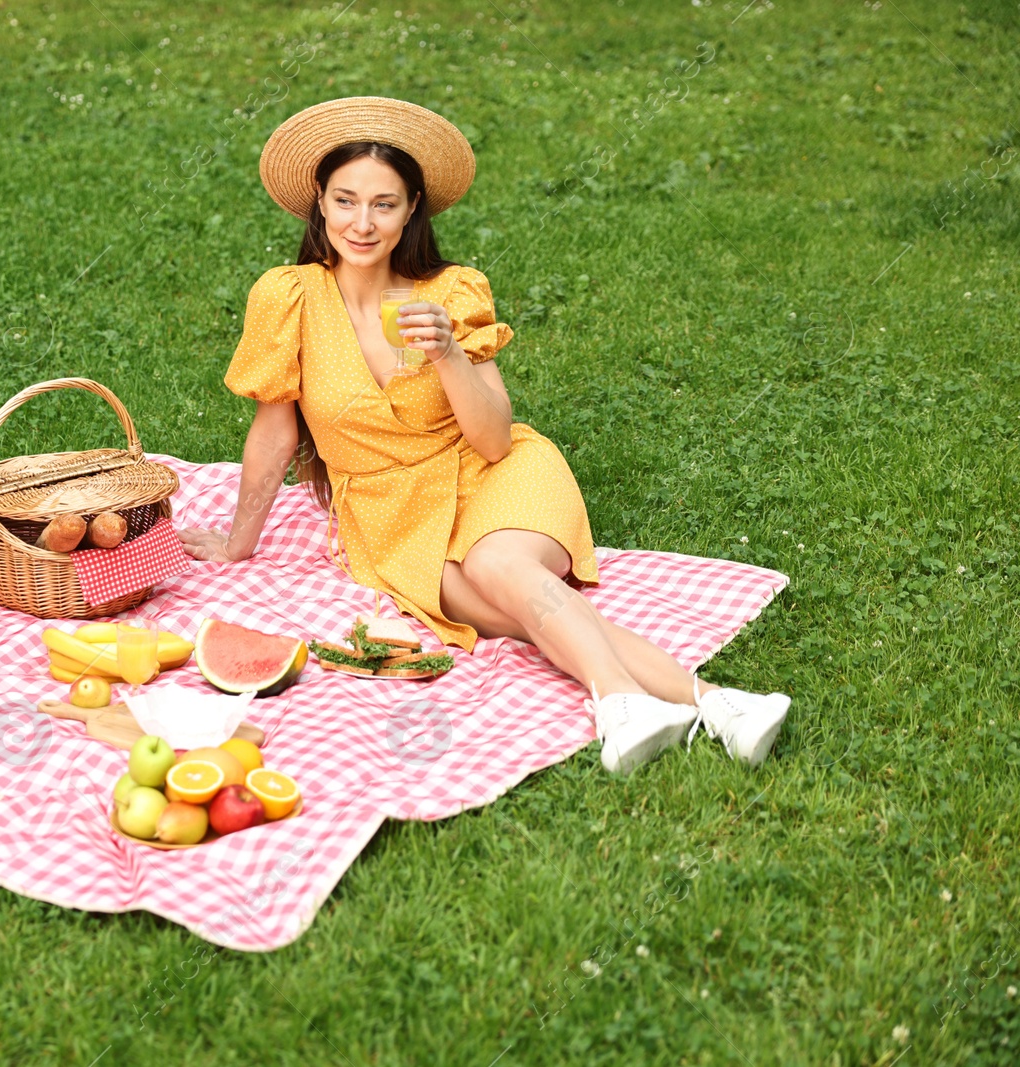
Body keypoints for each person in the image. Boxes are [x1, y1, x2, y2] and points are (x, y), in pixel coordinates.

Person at [177, 97, 788, 774]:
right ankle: (723, 703)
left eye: (384, 203)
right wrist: (238, 543)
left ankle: (619, 703)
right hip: (392, 517)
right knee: (524, 609)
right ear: (319, 203)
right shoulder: (288, 298)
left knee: (503, 570)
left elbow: (495, 439)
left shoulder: (451, 292)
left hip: (494, 475)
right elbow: (271, 431)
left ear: (413, 209)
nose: (362, 221)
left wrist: (447, 353)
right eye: (346, 200)